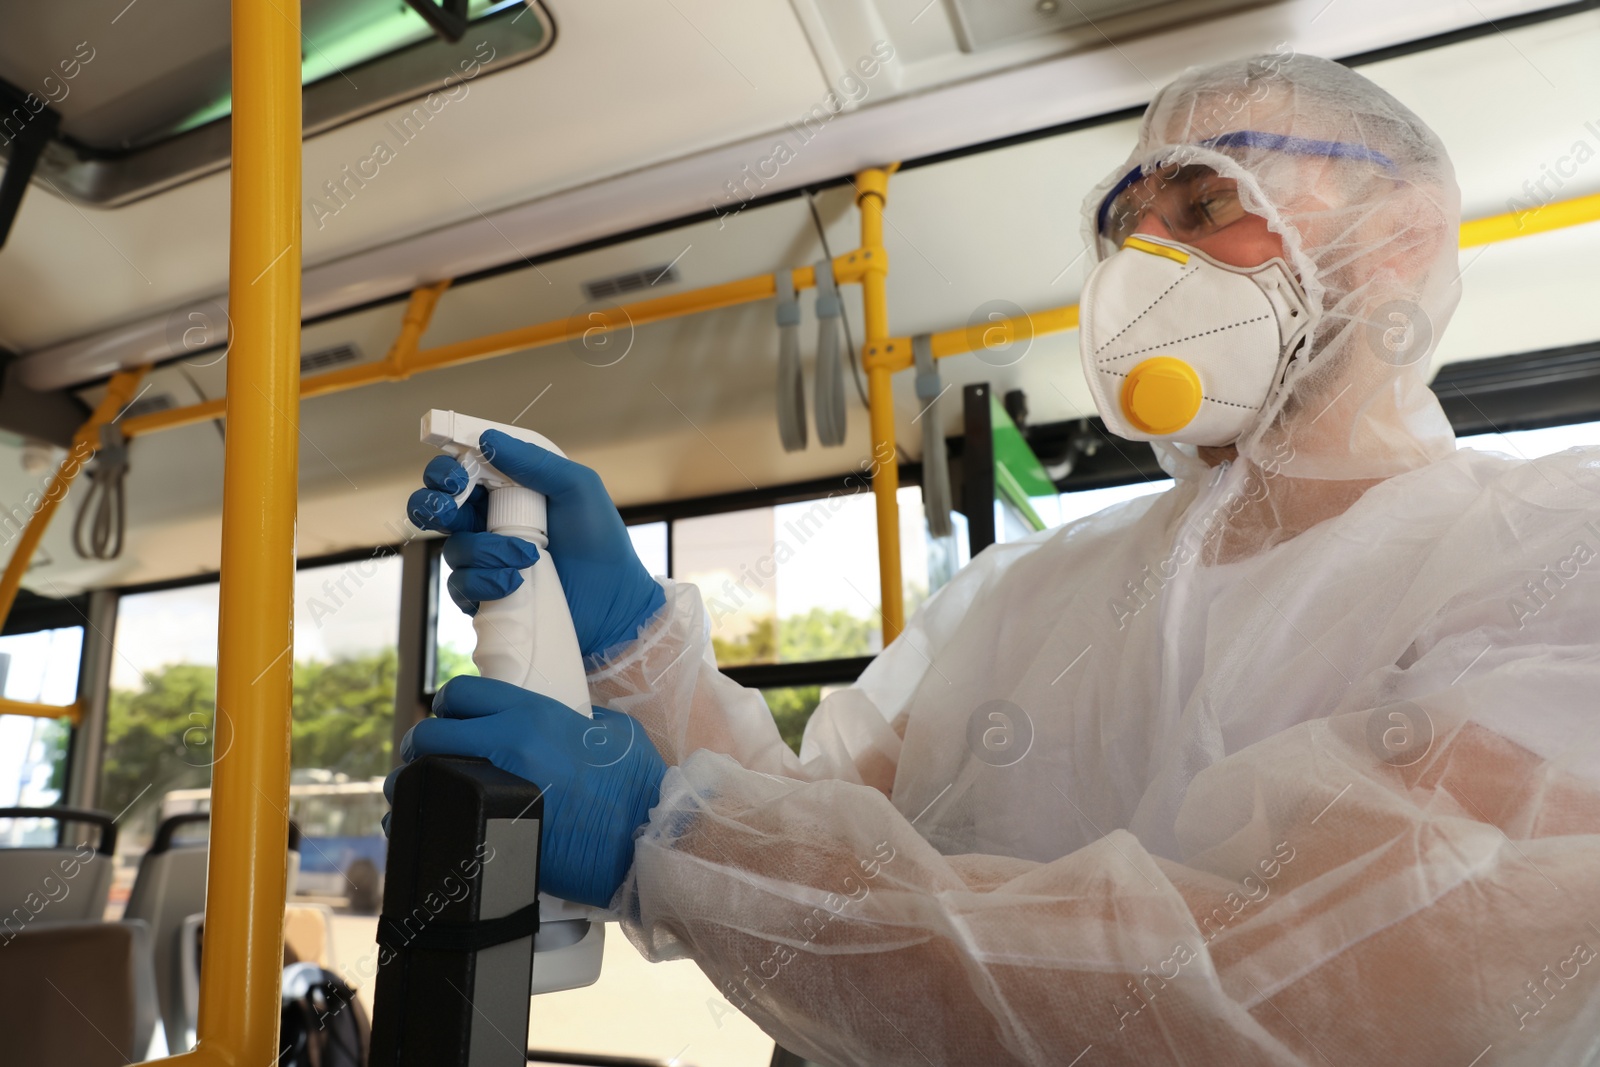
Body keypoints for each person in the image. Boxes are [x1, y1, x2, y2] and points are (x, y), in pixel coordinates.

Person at [400, 53, 1600, 1066]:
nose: (1144, 268)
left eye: (1200, 205)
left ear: (1400, 239)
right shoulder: (1024, 589)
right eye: (1122, 229)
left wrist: (674, 840)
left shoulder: (1546, 550)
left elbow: (1328, 983)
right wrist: (633, 649)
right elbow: (814, 833)